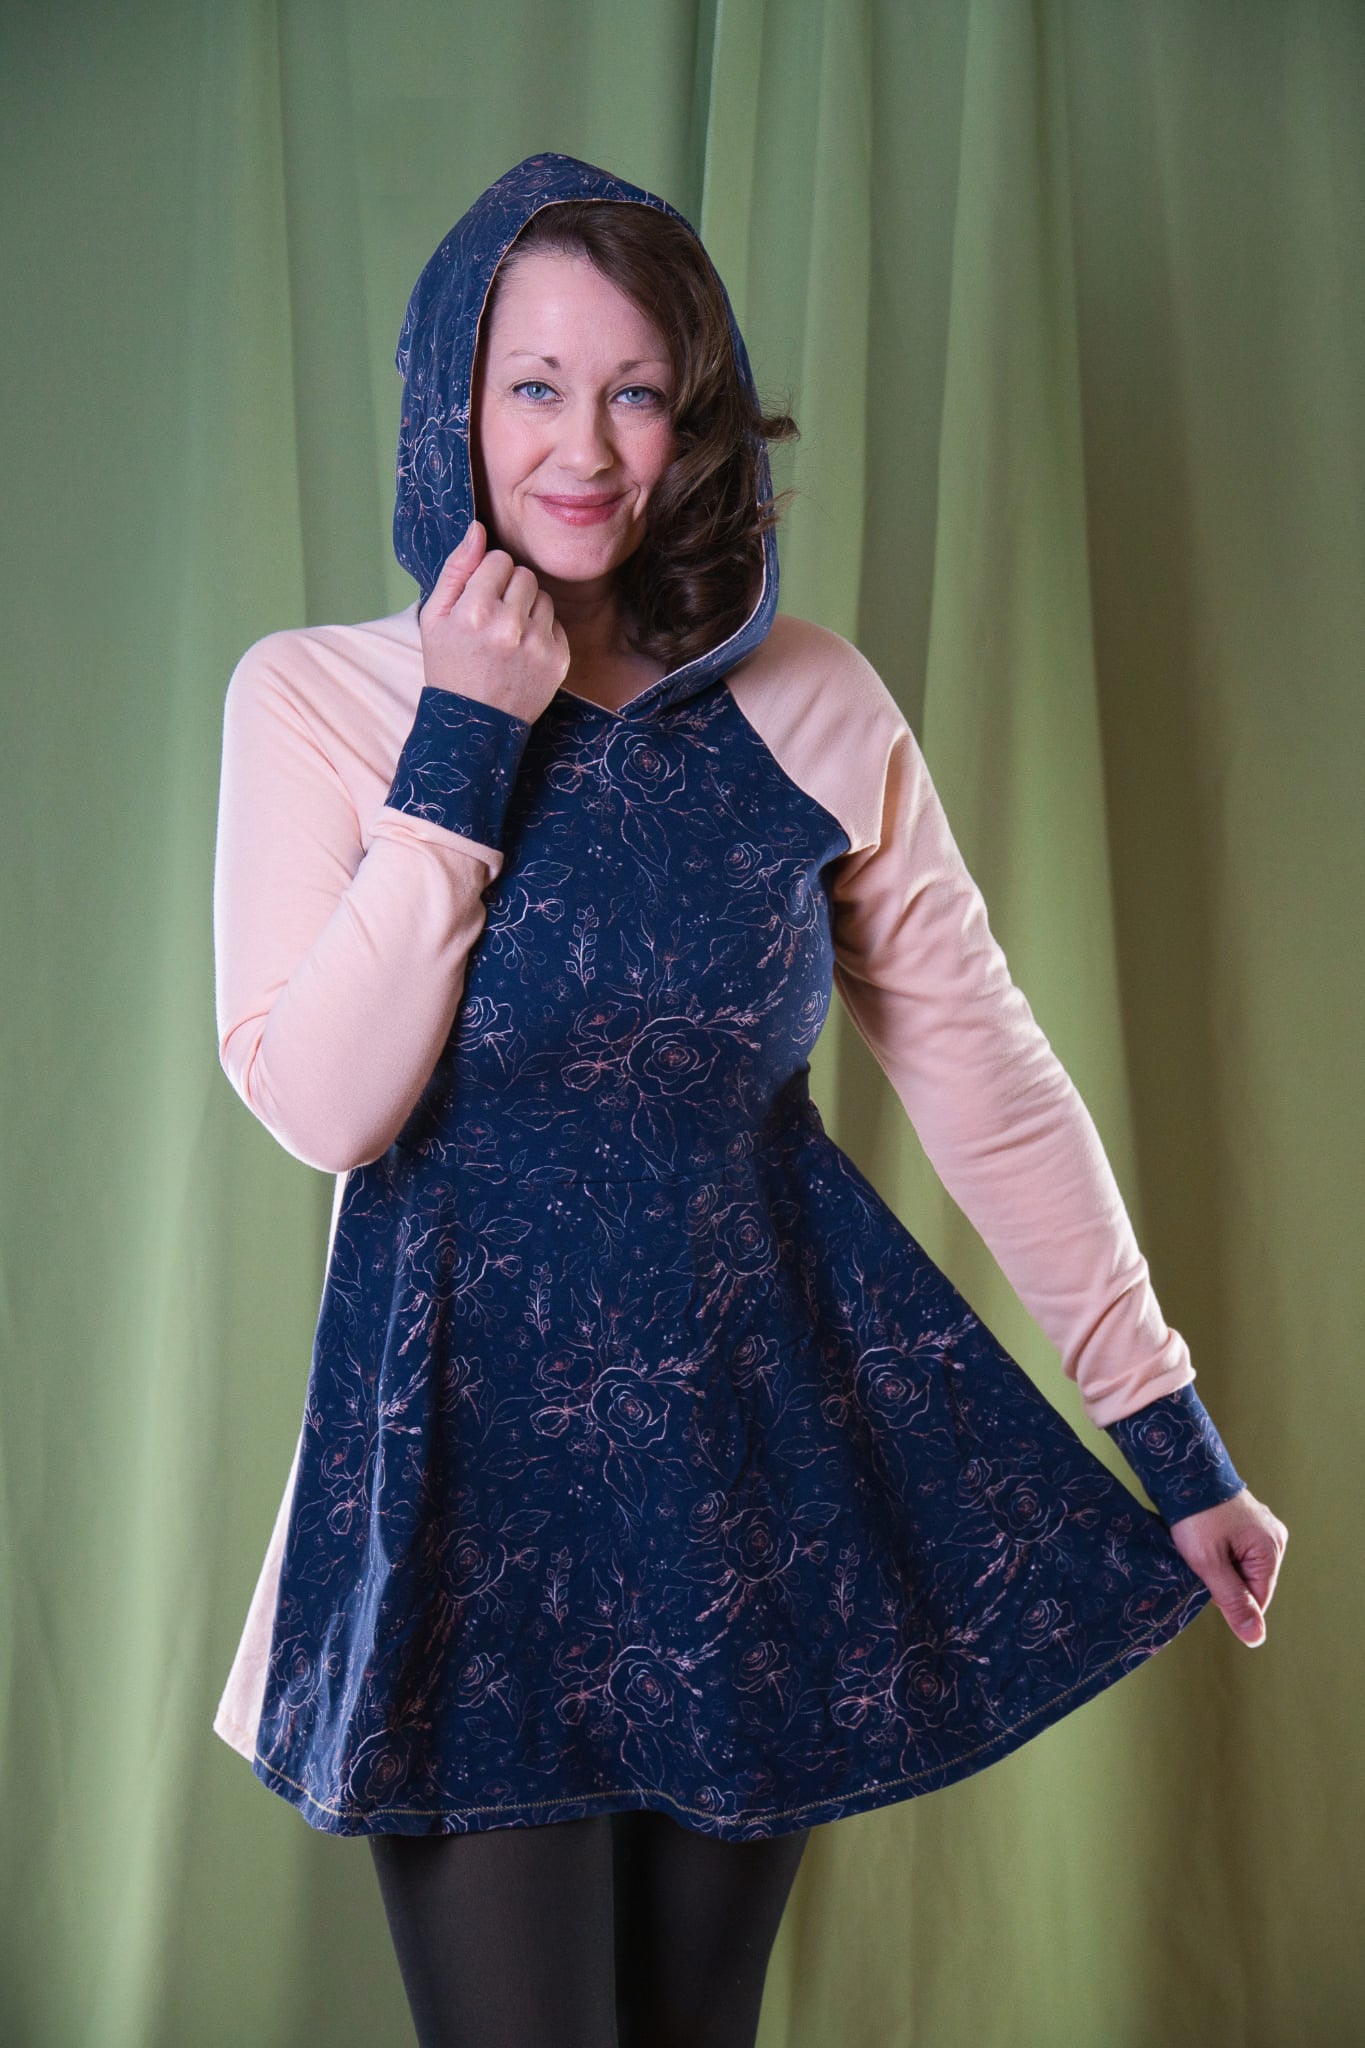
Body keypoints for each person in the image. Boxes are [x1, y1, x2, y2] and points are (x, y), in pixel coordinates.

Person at [209, 152, 1288, 2048]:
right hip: (459, 1506)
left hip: (746, 1485)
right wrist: (464, 732)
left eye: (637, 392)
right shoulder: (314, 698)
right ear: (451, 401)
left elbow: (988, 1076)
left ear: (696, 419)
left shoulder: (814, 701)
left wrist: (1175, 1443)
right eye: (534, 385)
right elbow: (324, 1106)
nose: (585, 448)